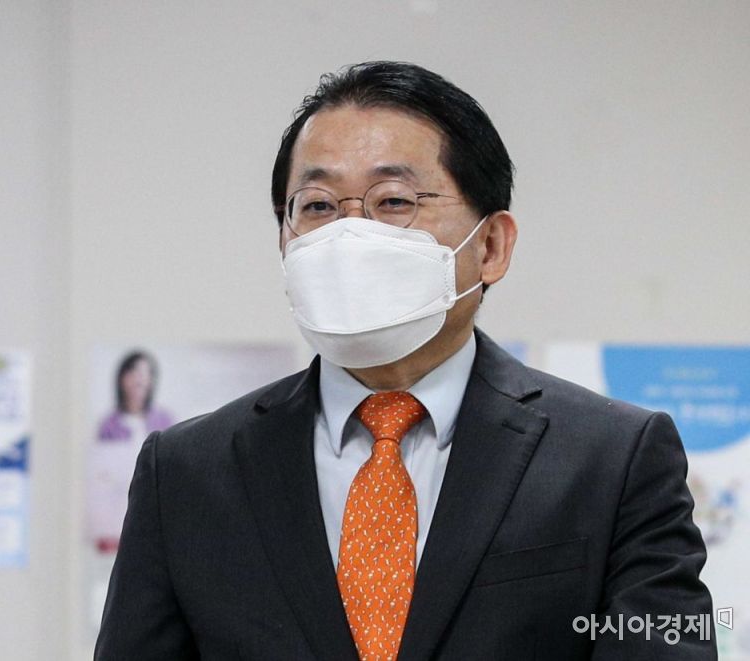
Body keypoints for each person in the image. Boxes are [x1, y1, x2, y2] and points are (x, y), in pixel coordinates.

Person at [96, 62, 714, 660]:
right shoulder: (187, 473)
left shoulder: (614, 459)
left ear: (491, 246)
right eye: (317, 206)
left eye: (393, 201)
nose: (348, 236)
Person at [90, 350, 174, 553]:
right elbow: (102, 476)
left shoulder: (165, 420)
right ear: (122, 378)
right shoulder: (108, 425)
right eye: (134, 373)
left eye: (145, 374)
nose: (139, 380)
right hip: (117, 509)